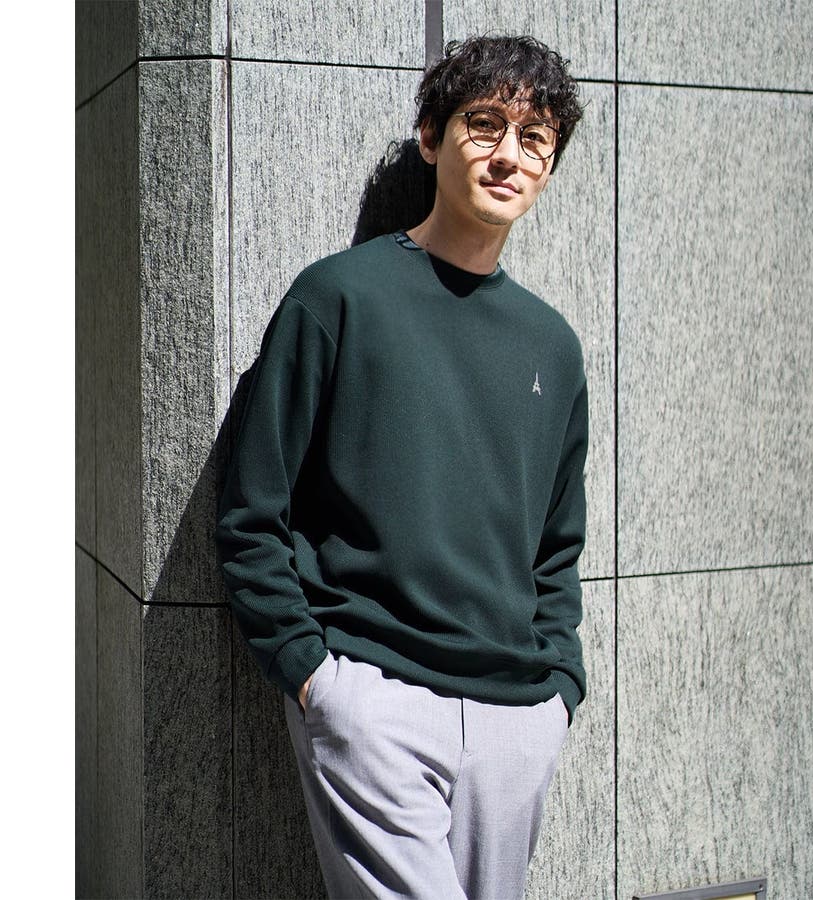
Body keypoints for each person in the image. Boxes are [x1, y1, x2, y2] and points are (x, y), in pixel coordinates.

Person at [216, 34, 589, 900]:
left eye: (535, 138)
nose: (509, 155)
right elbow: (252, 508)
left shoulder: (553, 346)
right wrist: (315, 676)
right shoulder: (337, 297)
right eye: (484, 124)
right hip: (370, 695)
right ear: (431, 136)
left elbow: (556, 547)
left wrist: (556, 690)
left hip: (515, 720)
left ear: (549, 166)